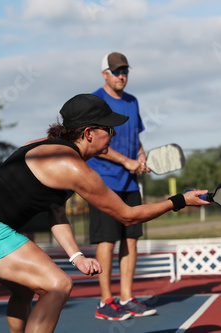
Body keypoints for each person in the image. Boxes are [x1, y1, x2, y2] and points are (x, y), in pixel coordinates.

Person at [0, 93, 209, 333]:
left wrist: (76, 256)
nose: (113, 136)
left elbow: (56, 213)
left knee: (25, 289)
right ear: (89, 132)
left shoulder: (45, 146)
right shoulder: (74, 168)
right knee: (58, 285)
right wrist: (179, 201)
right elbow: (128, 215)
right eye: (110, 130)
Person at [86, 52, 154, 321]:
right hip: (102, 182)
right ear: (105, 74)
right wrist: (125, 161)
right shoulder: (96, 102)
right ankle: (105, 302)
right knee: (107, 241)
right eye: (116, 71)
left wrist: (140, 156)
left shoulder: (132, 102)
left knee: (131, 239)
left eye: (125, 70)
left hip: (129, 183)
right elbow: (94, 144)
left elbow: (135, 137)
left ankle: (127, 297)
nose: (122, 75)